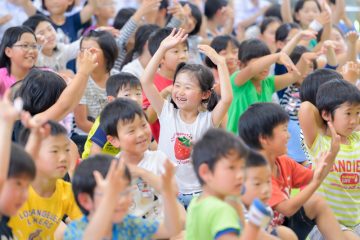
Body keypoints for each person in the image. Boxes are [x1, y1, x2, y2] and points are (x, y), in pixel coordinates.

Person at [141, 28, 232, 208]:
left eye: (188, 87)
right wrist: (161, 49)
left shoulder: (208, 120)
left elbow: (227, 98)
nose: (180, 92)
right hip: (169, 191)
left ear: (205, 94)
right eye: (177, 85)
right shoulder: (166, 112)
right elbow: (145, 81)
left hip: (199, 194)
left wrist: (221, 64)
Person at [238, 102, 350, 240]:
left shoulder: (283, 162)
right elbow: (287, 208)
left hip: (280, 227)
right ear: (264, 138)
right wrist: (315, 182)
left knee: (315, 203)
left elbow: (314, 176)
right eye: (284, 130)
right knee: (286, 234)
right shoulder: (256, 173)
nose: (289, 136)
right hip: (259, 235)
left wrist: (332, 154)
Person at [100, 98, 186, 221]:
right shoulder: (112, 169)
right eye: (131, 131)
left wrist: (142, 173)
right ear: (114, 140)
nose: (141, 133)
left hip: (163, 227)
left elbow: (173, 191)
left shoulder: (159, 158)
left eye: (144, 125)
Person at [64, 154, 184, 239]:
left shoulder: (129, 224)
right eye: (112, 194)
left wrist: (167, 192)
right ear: (85, 200)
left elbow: (170, 229)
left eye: (125, 192)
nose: (122, 200)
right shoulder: (76, 230)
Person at [299, 79, 360, 238]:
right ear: (325, 113)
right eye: (348, 113)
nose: (353, 120)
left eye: (358, 113)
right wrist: (327, 121)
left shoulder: (357, 139)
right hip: (327, 224)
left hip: (356, 222)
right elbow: (306, 108)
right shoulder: (319, 142)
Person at [186, 128, 272, 240]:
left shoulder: (196, 203)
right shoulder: (221, 210)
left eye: (242, 168)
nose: (241, 175)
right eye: (232, 167)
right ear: (206, 172)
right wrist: (254, 224)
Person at [8, 121, 82, 239]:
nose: (63, 157)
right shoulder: (15, 187)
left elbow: (87, 225)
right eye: (54, 151)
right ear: (34, 154)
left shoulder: (66, 192)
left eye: (67, 150)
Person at [226, 38, 304, 134]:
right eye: (260, 62)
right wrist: (277, 56)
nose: (265, 67)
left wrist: (305, 58)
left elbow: (296, 75)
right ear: (240, 65)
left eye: (267, 63)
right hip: (238, 143)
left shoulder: (268, 82)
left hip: (260, 142)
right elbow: (252, 69)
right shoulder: (237, 79)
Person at [143, 27, 189, 143]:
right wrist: (164, 93)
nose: (183, 55)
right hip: (162, 146)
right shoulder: (152, 82)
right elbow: (149, 118)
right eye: (176, 51)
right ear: (161, 58)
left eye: (185, 50)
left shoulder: (191, 78)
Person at [82, 73, 143, 159]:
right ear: (112, 100)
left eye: (138, 93)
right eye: (127, 95)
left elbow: (151, 144)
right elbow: (95, 151)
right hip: (97, 161)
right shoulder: (107, 120)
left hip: (122, 160)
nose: (135, 99)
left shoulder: (140, 117)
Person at [241, 150, 298, 240]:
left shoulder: (265, 209)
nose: (265, 190)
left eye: (268, 181)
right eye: (257, 184)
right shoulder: (238, 211)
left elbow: (266, 231)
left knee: (286, 233)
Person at [0, 26, 38, 96]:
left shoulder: (46, 74)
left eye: (34, 46)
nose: (31, 51)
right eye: (25, 45)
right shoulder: (1, 76)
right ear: (8, 51)